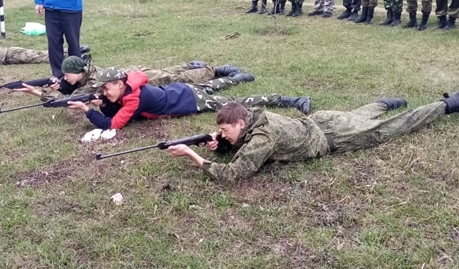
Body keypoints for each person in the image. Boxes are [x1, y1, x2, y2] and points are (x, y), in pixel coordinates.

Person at [166, 91, 459, 183]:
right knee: (357, 115)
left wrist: (194, 155)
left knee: (393, 127)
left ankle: (446, 105)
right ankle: (383, 103)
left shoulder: (263, 136)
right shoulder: (253, 116)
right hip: (322, 120)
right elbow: (242, 142)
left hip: (333, 136)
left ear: (240, 122)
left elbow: (234, 174)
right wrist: (220, 145)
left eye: (226, 129)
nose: (223, 133)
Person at [66, 67, 312, 131]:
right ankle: (238, 75)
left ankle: (293, 100)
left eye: (107, 89)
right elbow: (114, 109)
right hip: (181, 89)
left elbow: (115, 125)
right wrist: (104, 103)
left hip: (189, 101)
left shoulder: (133, 99)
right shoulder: (129, 86)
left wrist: (88, 111)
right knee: (213, 84)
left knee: (241, 101)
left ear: (120, 84)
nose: (105, 92)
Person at [16, 57, 256, 101]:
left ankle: (216, 69)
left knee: (176, 77)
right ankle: (192, 64)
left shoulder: (94, 81)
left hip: (142, 80)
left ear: (79, 72)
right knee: (169, 70)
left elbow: (77, 97)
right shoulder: (84, 75)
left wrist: (40, 93)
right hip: (131, 73)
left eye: (67, 74)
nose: (65, 77)